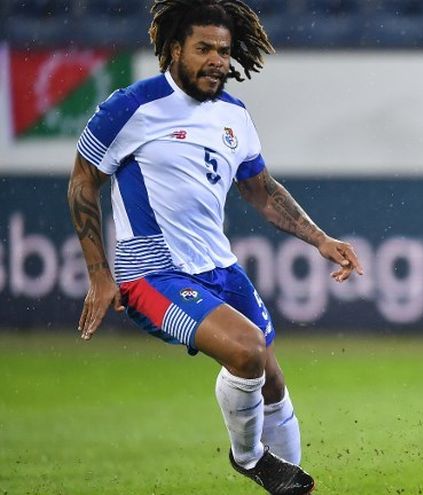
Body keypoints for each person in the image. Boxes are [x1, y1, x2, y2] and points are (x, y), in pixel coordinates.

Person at [66, 1, 363, 493]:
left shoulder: (234, 115)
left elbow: (260, 191)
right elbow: (83, 180)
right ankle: (248, 457)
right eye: (204, 49)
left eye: (223, 51)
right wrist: (99, 275)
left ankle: (290, 486)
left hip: (220, 268)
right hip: (154, 272)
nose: (217, 61)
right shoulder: (133, 106)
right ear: (174, 50)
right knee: (246, 351)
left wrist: (320, 238)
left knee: (271, 378)